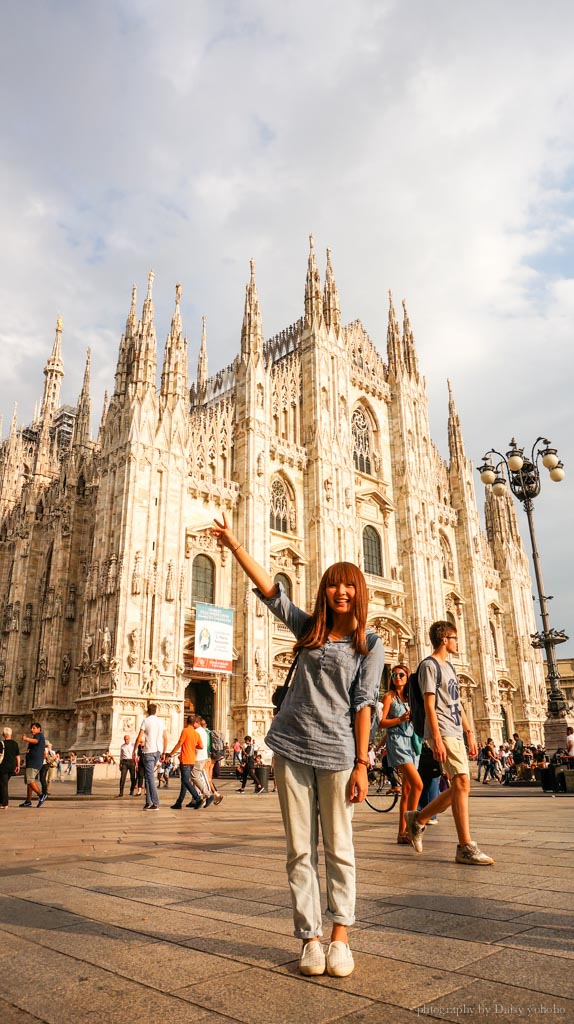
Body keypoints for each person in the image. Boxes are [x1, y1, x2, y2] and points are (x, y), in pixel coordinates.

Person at [212, 510, 385, 978]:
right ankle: (310, 937)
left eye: (349, 586)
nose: (341, 592)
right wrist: (234, 545)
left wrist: (363, 763)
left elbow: (364, 703)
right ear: (325, 591)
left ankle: (341, 937)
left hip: (338, 754)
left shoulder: (370, 643)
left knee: (340, 848)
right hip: (290, 748)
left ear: (359, 592)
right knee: (300, 849)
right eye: (333, 585)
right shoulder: (309, 628)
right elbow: (273, 593)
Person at [404, 622, 493, 866]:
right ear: (444, 639)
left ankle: (418, 818)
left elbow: (457, 702)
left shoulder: (449, 667)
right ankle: (465, 846)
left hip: (455, 730)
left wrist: (470, 731)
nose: (457, 642)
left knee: (460, 786)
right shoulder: (429, 666)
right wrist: (436, 738)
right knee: (462, 783)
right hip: (442, 731)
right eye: (454, 637)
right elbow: (429, 705)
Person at [378, 664, 422, 844]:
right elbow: (380, 723)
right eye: (394, 674)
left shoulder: (411, 698)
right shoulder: (388, 696)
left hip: (412, 743)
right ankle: (413, 827)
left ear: (407, 677)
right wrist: (399, 719)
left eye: (401, 674)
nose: (397, 677)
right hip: (397, 741)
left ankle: (401, 833)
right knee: (418, 784)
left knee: (407, 790)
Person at [169, 715, 211, 809]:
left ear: (186, 722)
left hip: (185, 759)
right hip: (192, 760)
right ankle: (179, 803)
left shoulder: (185, 731)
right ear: (194, 723)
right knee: (185, 781)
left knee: (185, 781)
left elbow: (180, 743)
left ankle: (198, 798)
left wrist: (170, 754)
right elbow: (201, 746)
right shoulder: (196, 734)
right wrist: (192, 746)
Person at [132, 703, 168, 809]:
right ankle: (148, 802)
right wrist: (164, 752)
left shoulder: (146, 721)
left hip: (148, 751)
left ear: (148, 711)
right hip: (158, 751)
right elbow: (165, 738)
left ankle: (155, 802)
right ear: (156, 711)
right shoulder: (161, 722)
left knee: (150, 778)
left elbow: (139, 737)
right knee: (148, 777)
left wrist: (134, 750)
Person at [20, 723, 46, 807]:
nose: (32, 730)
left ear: (39, 729)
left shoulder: (39, 736)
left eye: (34, 728)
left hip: (34, 762)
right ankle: (28, 801)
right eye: (31, 728)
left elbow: (36, 741)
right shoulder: (36, 737)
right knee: (29, 782)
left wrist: (26, 739)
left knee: (30, 780)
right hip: (31, 762)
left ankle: (41, 795)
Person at [0, 727, 20, 808]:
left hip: (3, 767)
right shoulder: (15, 743)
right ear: (11, 734)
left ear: (3, 734)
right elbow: (17, 756)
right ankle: (2, 802)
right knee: (3, 784)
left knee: (3, 784)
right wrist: (18, 766)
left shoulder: (1, 743)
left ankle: (5, 803)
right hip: (12, 767)